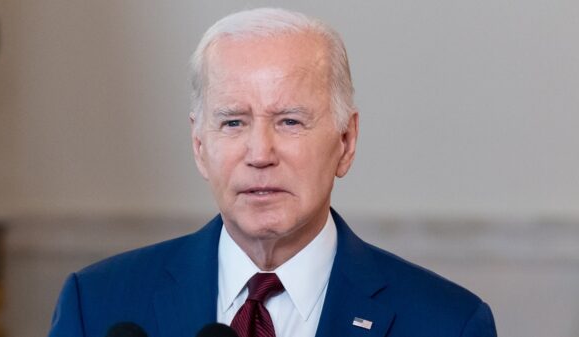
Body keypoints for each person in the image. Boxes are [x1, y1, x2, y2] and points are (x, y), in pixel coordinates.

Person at [48, 8, 497, 337]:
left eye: (290, 121)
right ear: (199, 146)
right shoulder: (98, 306)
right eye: (233, 122)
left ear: (346, 142)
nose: (259, 153)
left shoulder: (448, 323)